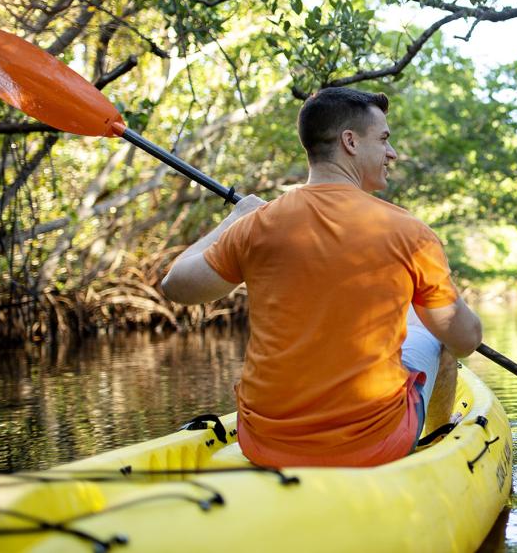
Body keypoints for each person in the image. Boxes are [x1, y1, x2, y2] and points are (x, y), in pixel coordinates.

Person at [160, 87, 482, 467]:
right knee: (434, 329)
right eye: (383, 140)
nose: (391, 153)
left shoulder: (258, 226)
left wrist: (234, 220)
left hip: (263, 442)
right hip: (375, 442)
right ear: (350, 141)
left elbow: (175, 285)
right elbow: (465, 340)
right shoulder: (409, 231)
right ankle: (433, 444)